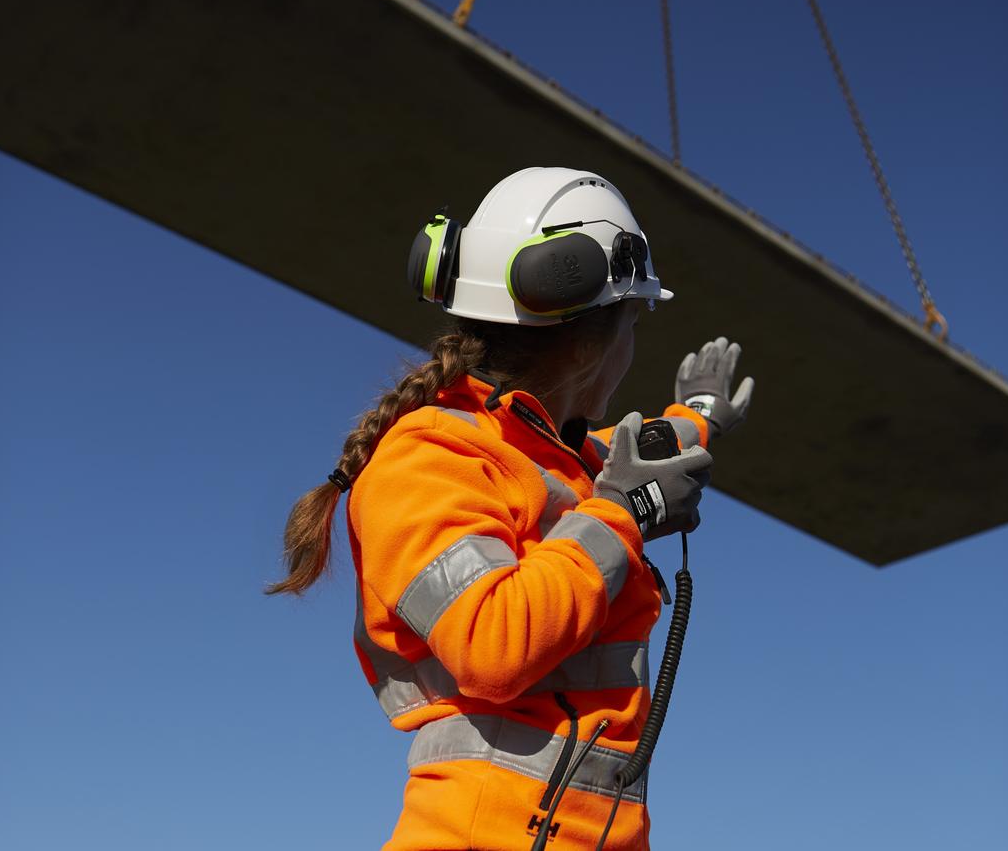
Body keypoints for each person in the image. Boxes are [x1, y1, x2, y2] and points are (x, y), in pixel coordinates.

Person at [268, 167, 753, 849]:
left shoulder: (556, 458)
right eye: (633, 323)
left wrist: (700, 417)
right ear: (593, 340)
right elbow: (491, 641)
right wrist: (627, 511)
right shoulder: (427, 459)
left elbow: (635, 451)